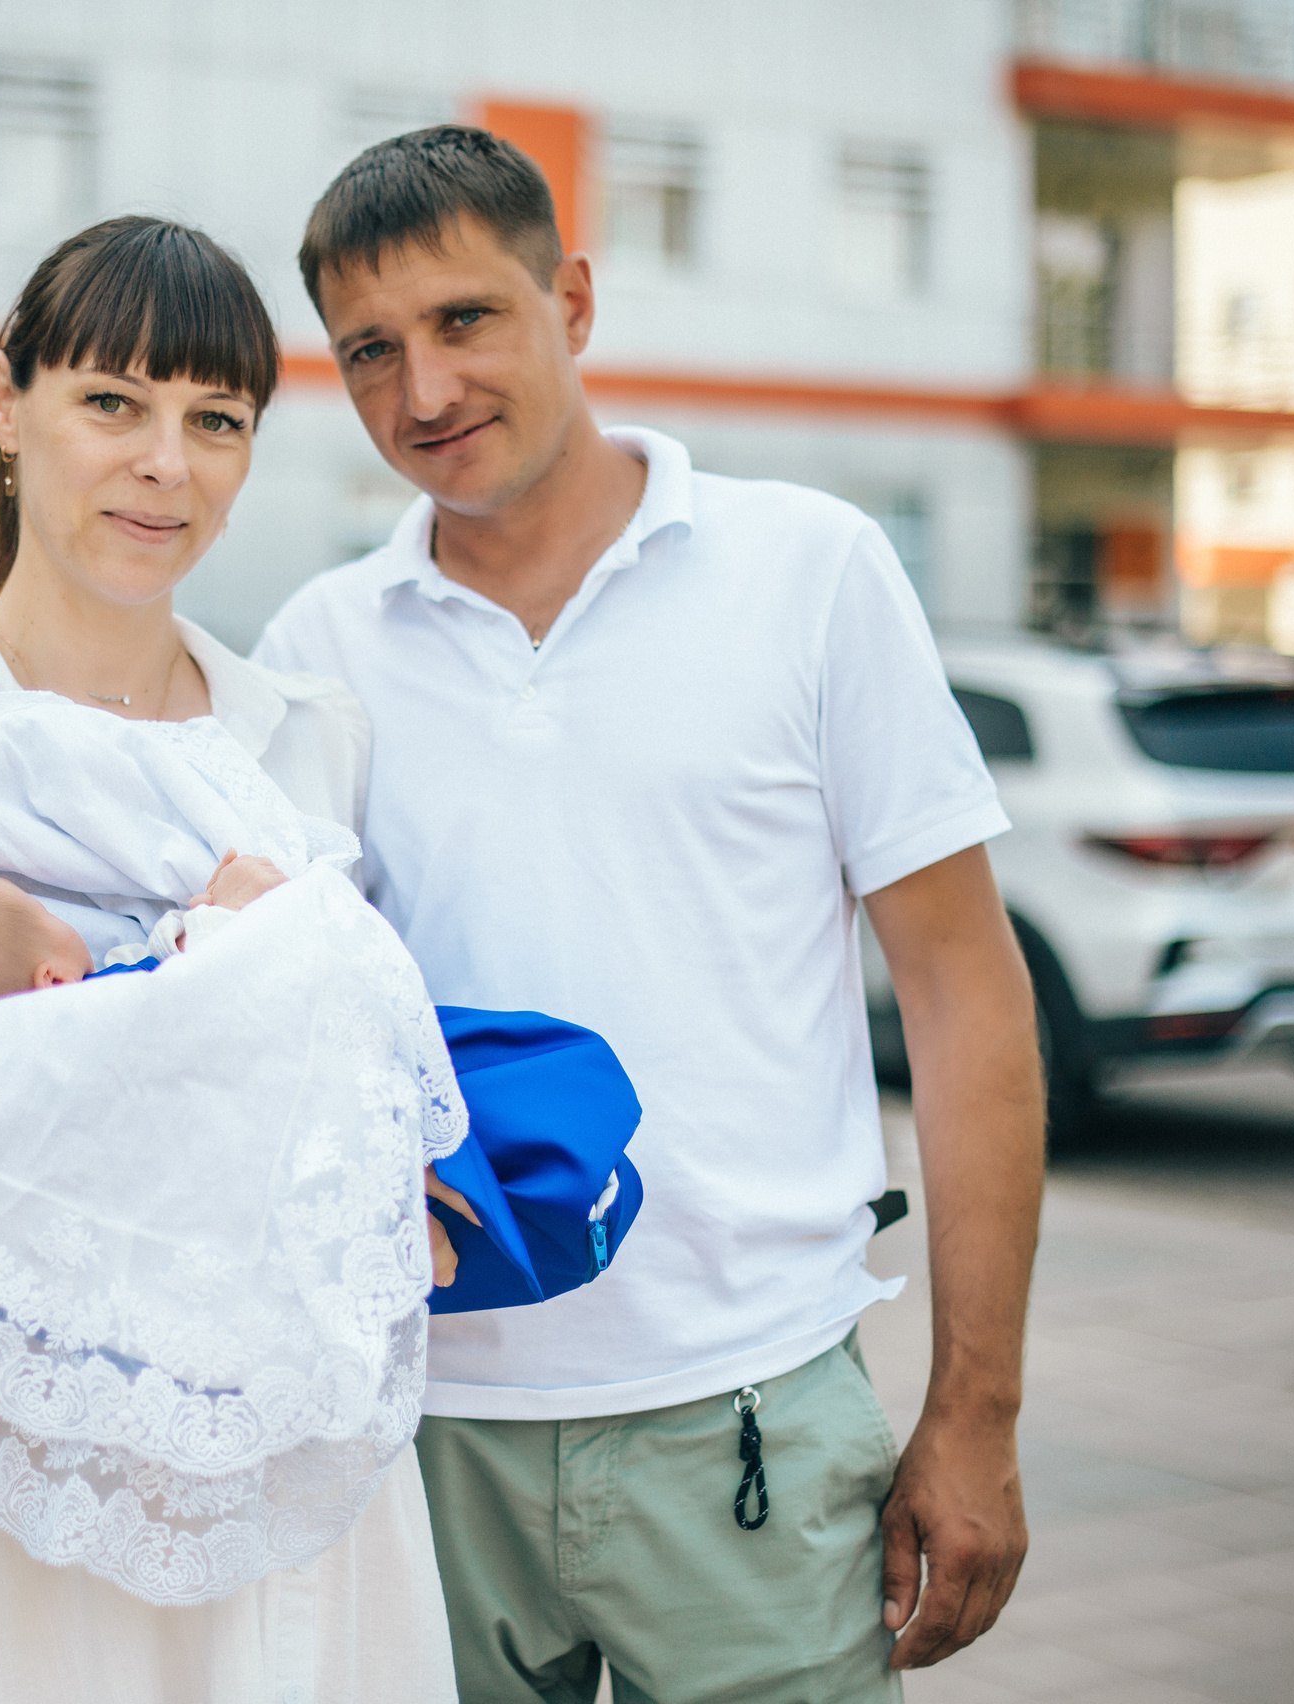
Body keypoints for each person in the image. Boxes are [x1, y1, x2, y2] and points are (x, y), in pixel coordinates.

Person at [255, 127, 1045, 1702]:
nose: (422, 394)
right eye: (369, 352)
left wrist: (976, 1412)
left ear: (576, 299)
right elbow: (273, 1040)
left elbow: (964, 997)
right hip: (423, 1444)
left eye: (465, 320)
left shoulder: (811, 571)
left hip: (747, 1422)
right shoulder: (317, 643)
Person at [0, 215, 458, 1703]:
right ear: (7, 402)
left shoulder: (303, 738)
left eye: (216, 420)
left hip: (279, 1500)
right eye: (112, 404)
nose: (167, 463)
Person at [0, 854, 286, 1037]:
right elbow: (190, 986)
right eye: (45, 914)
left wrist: (187, 926)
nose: (57, 917)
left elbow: (152, 960)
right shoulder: (106, 1010)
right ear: (53, 980)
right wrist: (225, 908)